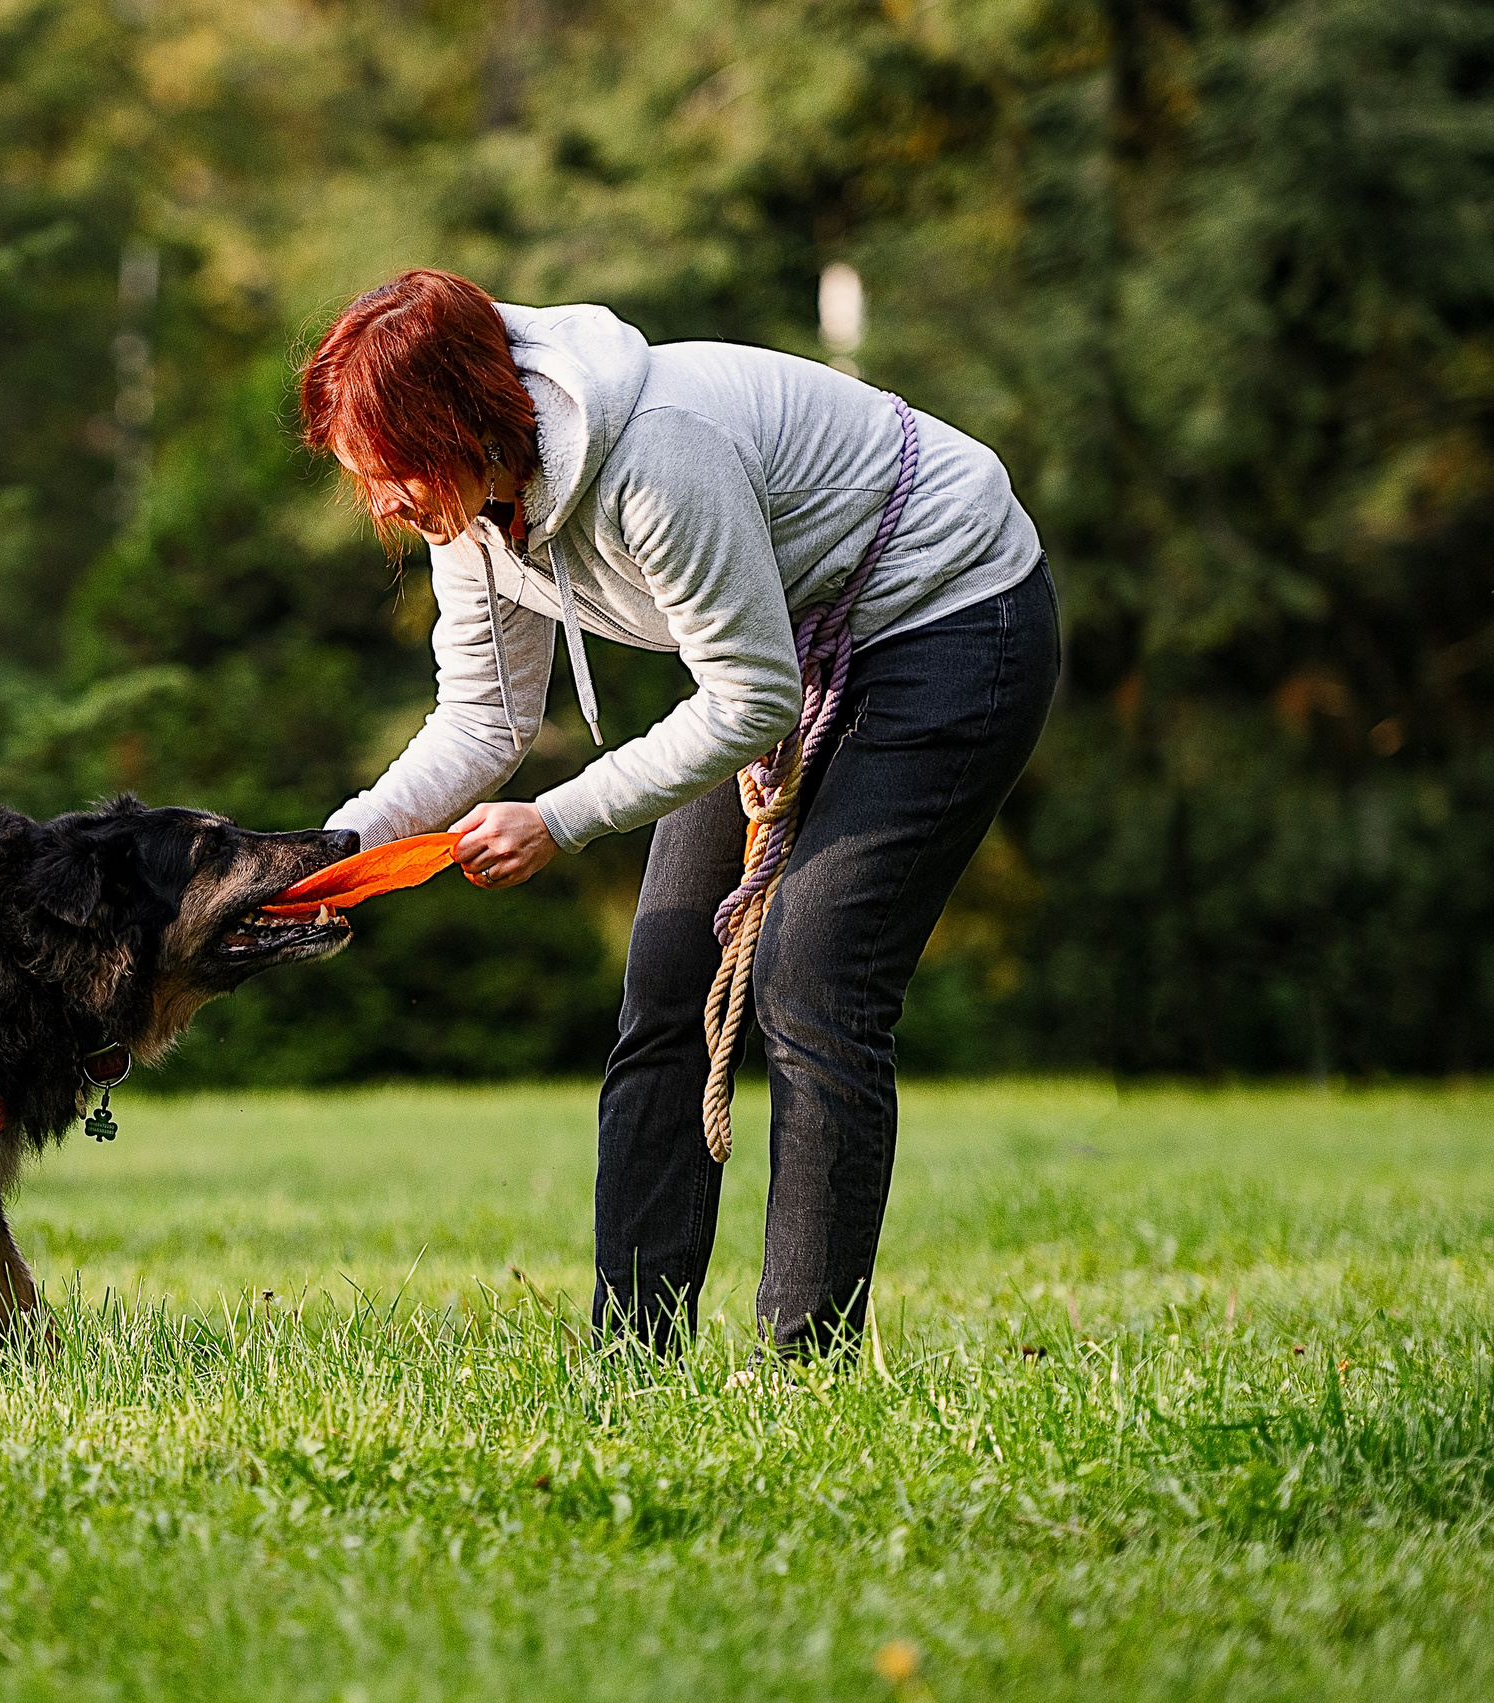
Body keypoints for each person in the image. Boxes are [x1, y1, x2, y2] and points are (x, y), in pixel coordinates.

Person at [300, 268, 1059, 1357]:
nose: (384, 505)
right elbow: (481, 722)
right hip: (782, 649)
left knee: (811, 974)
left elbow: (746, 700)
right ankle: (631, 1355)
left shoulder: (656, 454)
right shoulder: (467, 510)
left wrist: (556, 820)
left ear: (464, 421)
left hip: (950, 611)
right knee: (665, 978)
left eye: (392, 471)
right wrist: (334, 852)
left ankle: (805, 1365)